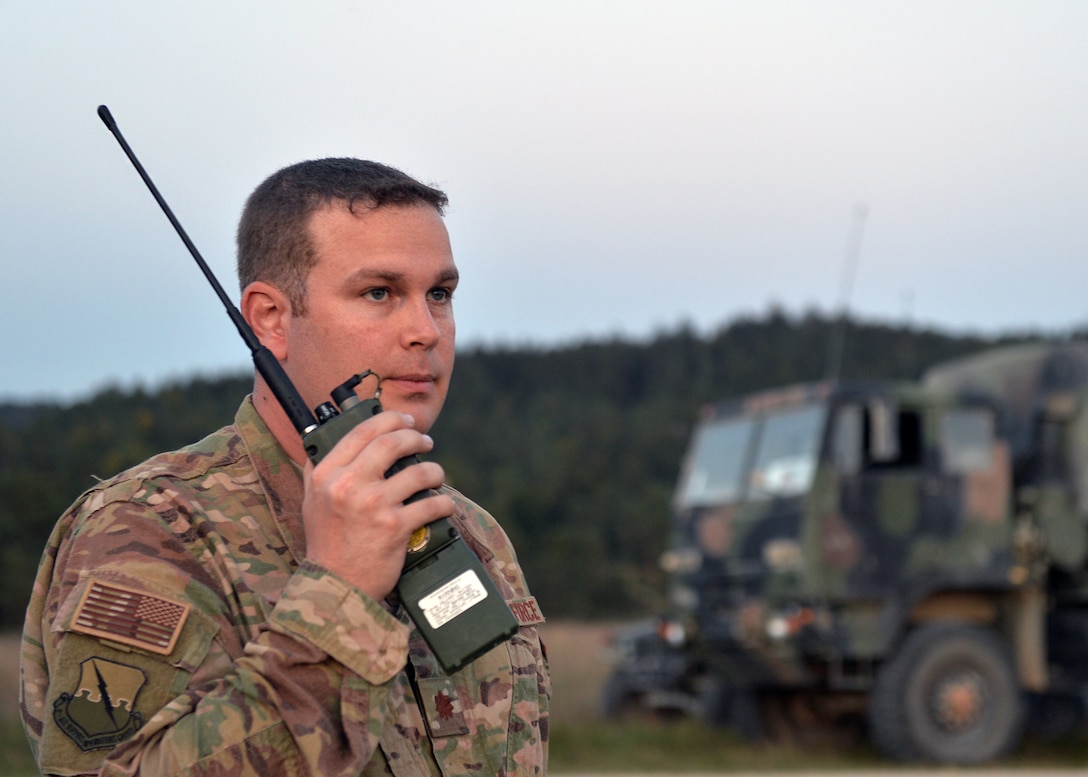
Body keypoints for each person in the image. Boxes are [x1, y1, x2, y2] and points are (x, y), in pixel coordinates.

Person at [20, 158, 550, 776]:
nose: (426, 331)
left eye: (440, 294)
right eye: (379, 293)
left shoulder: (473, 534)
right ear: (270, 318)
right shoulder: (150, 530)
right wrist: (339, 597)